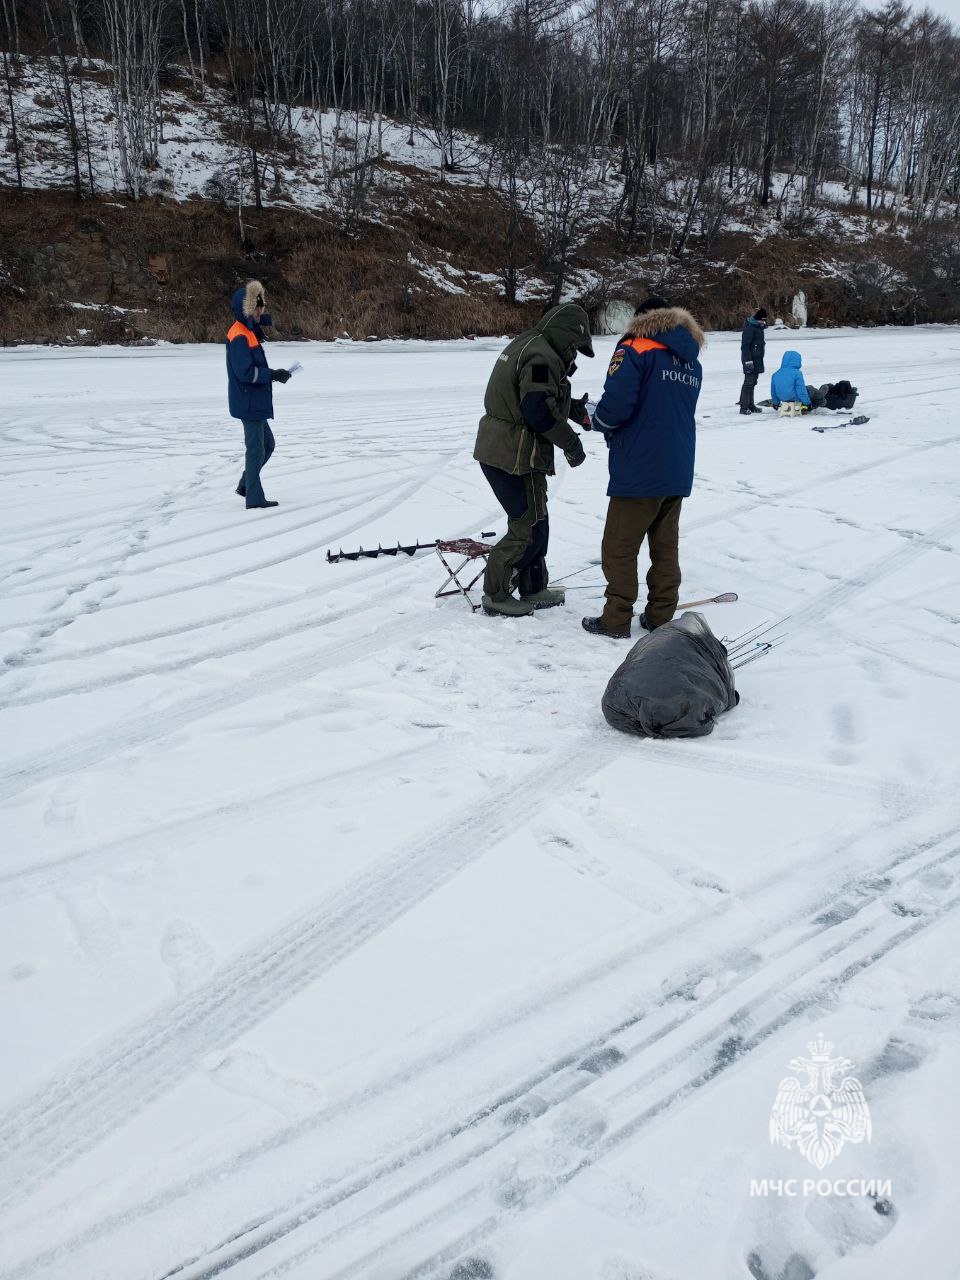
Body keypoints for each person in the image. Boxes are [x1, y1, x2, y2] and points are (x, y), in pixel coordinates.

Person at [581, 296, 704, 640]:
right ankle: (660, 615)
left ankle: (616, 619)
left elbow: (617, 406)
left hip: (639, 465)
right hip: (677, 466)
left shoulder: (635, 347)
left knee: (619, 546)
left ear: (640, 320)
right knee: (665, 546)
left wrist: (594, 418)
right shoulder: (691, 360)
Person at [473, 302, 594, 617]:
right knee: (526, 526)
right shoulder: (541, 356)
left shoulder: (533, 344)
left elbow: (546, 393)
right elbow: (537, 410)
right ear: (567, 336)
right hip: (511, 454)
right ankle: (496, 594)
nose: (575, 356)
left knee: (538, 521)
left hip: (511, 451)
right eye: (576, 348)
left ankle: (533, 587)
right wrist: (571, 445)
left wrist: (575, 409)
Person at [226, 279, 291, 510]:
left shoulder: (249, 330)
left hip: (254, 401)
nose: (260, 311)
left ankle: (246, 483)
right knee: (256, 449)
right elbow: (245, 372)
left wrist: (274, 374)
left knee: (268, 445)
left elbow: (260, 324)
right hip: (248, 401)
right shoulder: (239, 335)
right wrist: (272, 375)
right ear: (246, 309)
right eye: (257, 308)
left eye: (261, 307)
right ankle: (254, 498)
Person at [739, 307, 767, 414]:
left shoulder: (759, 328)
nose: (763, 322)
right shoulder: (750, 329)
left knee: (753, 382)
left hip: (757, 360)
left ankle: (750, 405)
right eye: (762, 320)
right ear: (757, 319)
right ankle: (744, 407)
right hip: (750, 360)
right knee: (748, 383)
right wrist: (748, 361)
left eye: (765, 320)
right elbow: (745, 346)